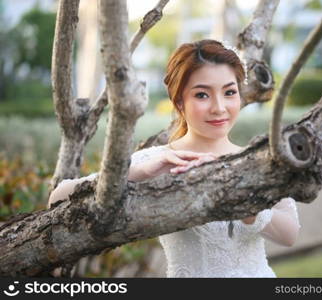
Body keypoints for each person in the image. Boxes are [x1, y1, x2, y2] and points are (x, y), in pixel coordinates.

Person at [48, 39, 301, 278]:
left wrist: (248, 207)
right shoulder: (159, 161)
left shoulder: (259, 160)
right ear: (179, 101)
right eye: (202, 94)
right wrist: (139, 173)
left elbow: (290, 234)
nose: (219, 107)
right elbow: (58, 197)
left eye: (229, 92)